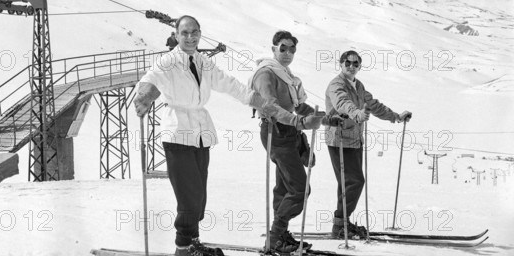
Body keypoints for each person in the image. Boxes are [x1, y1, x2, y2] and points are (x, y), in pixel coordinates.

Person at [134, 16, 300, 256]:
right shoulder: (168, 62)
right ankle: (183, 248)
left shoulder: (203, 62)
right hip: (177, 133)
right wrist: (146, 95)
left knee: (199, 196)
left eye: (194, 32)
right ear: (176, 35)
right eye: (184, 33)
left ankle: (194, 242)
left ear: (200, 33)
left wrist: (258, 102)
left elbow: (230, 84)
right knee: (189, 196)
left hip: (201, 134)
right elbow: (151, 79)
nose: (190, 37)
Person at [251, 31, 343, 253]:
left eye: (292, 49)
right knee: (300, 189)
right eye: (283, 48)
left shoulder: (287, 75)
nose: (288, 53)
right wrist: (301, 122)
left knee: (284, 186)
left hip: (290, 131)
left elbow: (300, 107)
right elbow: (271, 107)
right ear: (273, 48)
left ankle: (280, 236)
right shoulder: (266, 74)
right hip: (277, 132)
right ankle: (275, 237)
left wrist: (328, 119)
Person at [324, 50, 412, 239]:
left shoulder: (358, 86)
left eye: (356, 64)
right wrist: (356, 114)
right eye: (348, 62)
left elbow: (374, 105)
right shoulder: (336, 85)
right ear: (341, 63)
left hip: (354, 140)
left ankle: (342, 223)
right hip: (339, 139)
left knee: (347, 183)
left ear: (359, 67)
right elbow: (342, 103)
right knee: (355, 181)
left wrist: (395, 116)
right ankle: (340, 224)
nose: (351, 66)